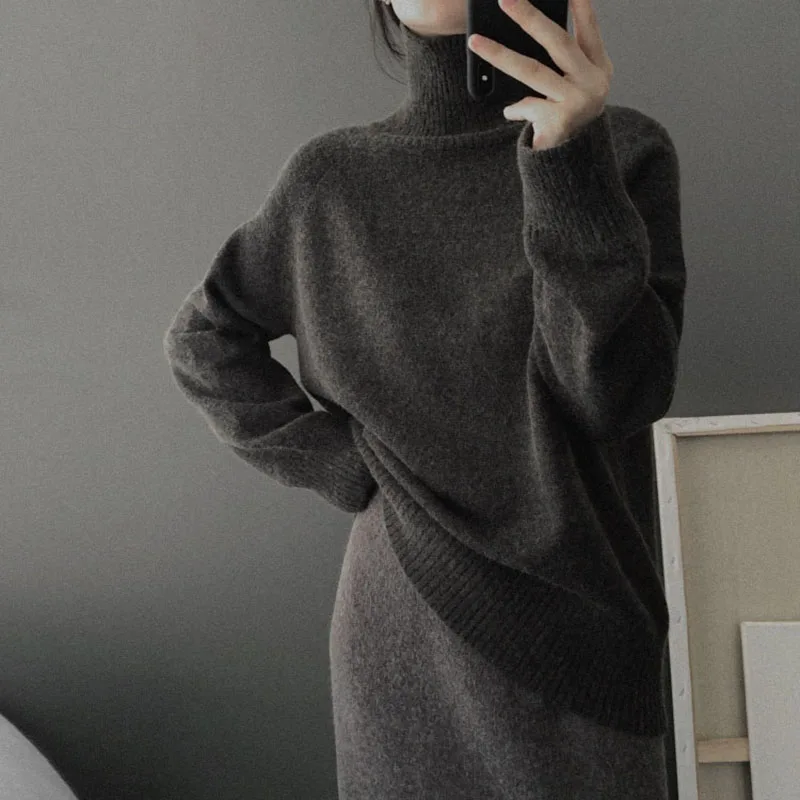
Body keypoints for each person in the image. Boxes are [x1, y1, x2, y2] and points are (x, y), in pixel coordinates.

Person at [162, 0, 687, 796]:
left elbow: (614, 397)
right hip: (405, 613)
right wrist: (342, 466)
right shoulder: (330, 180)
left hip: (584, 628)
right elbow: (204, 341)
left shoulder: (624, 153)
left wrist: (568, 161)